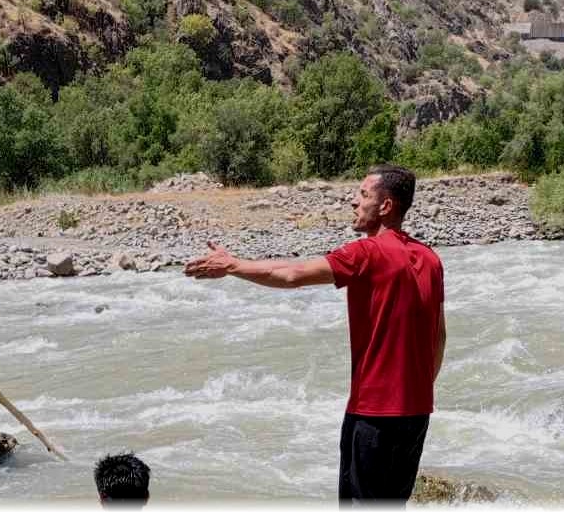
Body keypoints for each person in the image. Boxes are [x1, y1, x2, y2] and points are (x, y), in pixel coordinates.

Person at [185, 164, 446, 505]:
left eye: (363, 195)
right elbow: (439, 337)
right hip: (416, 414)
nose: (354, 201)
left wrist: (233, 265)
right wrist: (418, 392)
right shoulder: (430, 259)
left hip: (373, 416)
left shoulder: (366, 252)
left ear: (386, 206)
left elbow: (292, 274)